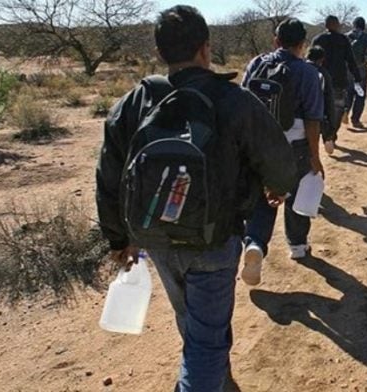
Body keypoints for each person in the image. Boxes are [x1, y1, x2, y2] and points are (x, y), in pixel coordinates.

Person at [95, 5, 296, 391]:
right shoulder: (234, 100)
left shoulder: (134, 102)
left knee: (193, 319)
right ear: (206, 48)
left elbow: (108, 176)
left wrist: (118, 238)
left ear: (160, 52)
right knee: (205, 339)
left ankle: (213, 374)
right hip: (214, 241)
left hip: (155, 237)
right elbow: (280, 164)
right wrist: (275, 188)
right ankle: (206, 375)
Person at [240, 18, 324, 286]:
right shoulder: (309, 73)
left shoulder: (256, 64)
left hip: (258, 144)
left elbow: (243, 102)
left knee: (262, 200)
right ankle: (298, 246)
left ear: (276, 40)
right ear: (303, 43)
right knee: (297, 196)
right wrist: (315, 155)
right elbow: (313, 118)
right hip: (294, 146)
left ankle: (254, 243)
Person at [311, 15, 362, 141]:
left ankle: (324, 132)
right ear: (335, 25)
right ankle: (331, 134)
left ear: (326, 25)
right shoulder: (343, 40)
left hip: (320, 81)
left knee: (320, 108)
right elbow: (350, 60)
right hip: (338, 81)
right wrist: (357, 77)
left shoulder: (318, 39)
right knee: (337, 110)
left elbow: (310, 60)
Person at [344, 16, 367, 129]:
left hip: (346, 69)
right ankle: (356, 120)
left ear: (354, 25)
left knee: (348, 93)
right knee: (360, 95)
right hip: (361, 69)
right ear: (364, 25)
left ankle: (345, 112)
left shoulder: (346, 37)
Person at [306, 45, 337, 155]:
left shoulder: (299, 69)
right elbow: (329, 101)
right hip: (317, 115)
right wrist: (331, 128)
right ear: (322, 59)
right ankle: (327, 139)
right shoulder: (323, 73)